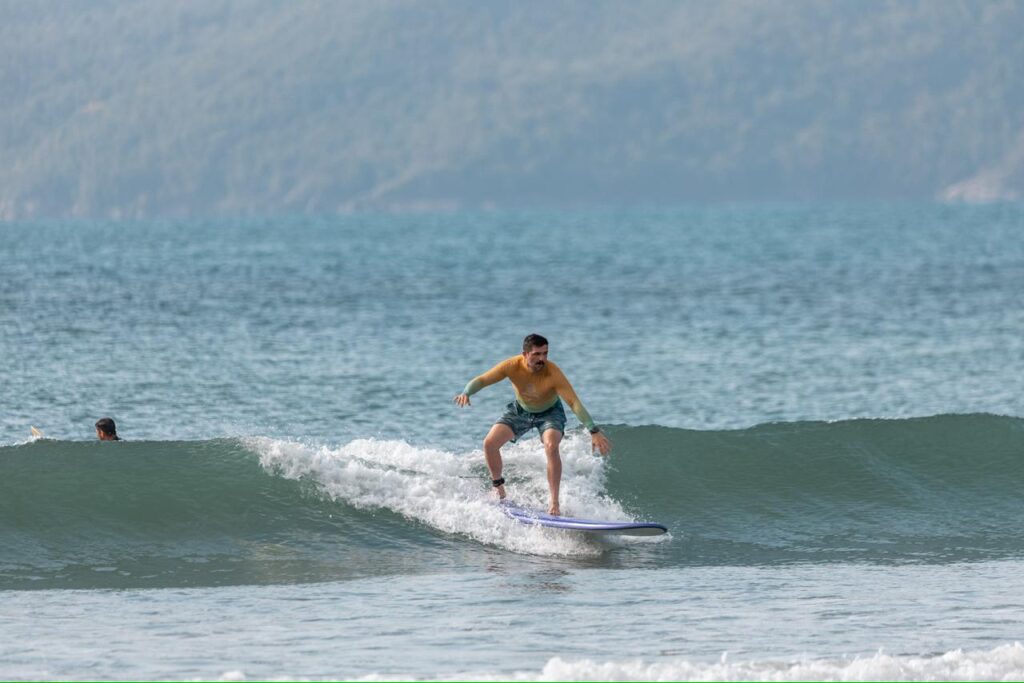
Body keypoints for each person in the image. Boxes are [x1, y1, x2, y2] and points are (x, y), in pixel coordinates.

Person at [454, 333, 612, 516]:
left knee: (551, 446)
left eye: (545, 354)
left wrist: (593, 430)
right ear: (525, 354)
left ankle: (554, 503)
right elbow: (483, 379)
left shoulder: (553, 373)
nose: (542, 359)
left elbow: (573, 402)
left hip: (550, 413)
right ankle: (498, 488)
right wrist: (467, 392)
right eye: (537, 354)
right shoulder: (511, 366)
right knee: (489, 443)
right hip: (521, 411)